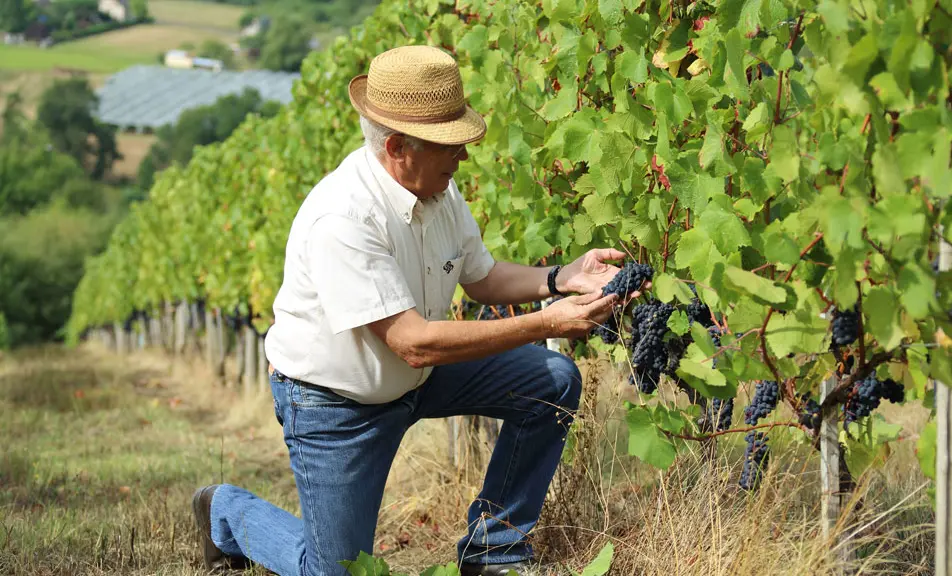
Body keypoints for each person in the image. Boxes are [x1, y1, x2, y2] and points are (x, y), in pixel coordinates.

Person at [190, 45, 646, 576]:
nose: (464, 155)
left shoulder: (437, 190)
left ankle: (493, 551)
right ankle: (223, 510)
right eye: (449, 144)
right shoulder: (343, 218)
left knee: (551, 381)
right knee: (336, 572)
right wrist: (548, 321)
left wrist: (559, 278)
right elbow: (413, 340)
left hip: (420, 377)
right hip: (337, 404)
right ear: (396, 146)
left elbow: (481, 278)